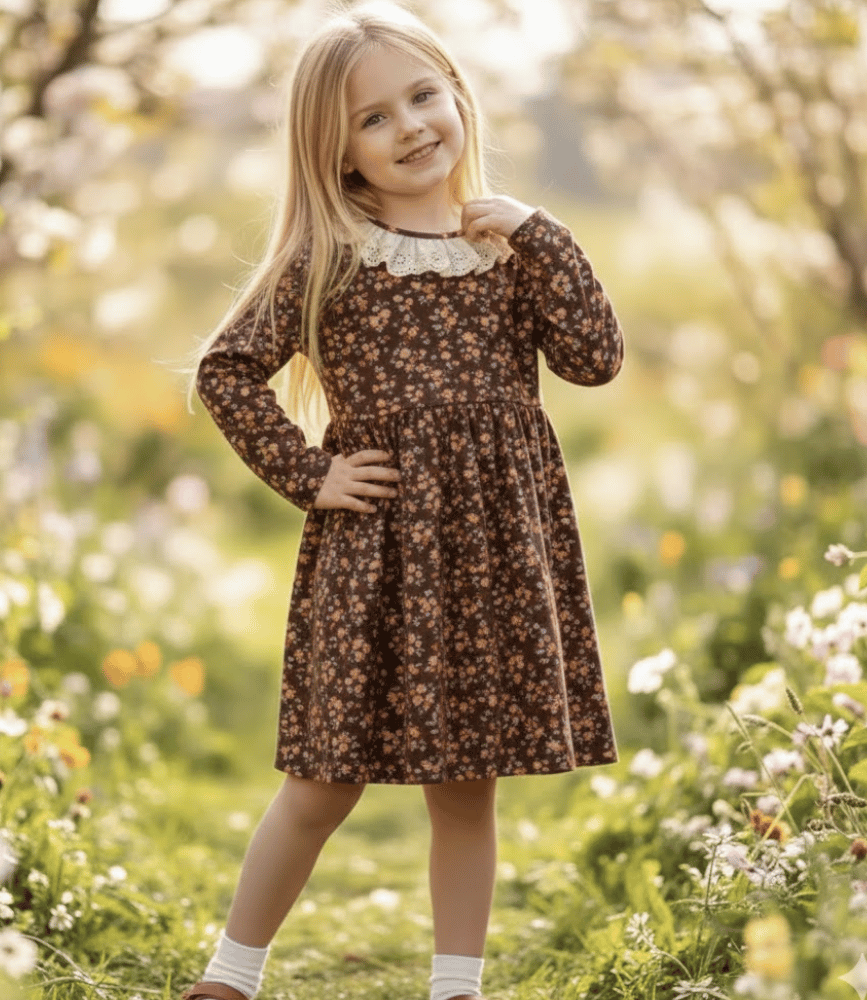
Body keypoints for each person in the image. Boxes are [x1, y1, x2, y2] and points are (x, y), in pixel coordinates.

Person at [181, 3, 624, 999]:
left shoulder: (511, 246)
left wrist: (544, 237)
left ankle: (455, 987)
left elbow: (594, 360)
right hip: (377, 551)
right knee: (322, 779)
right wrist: (309, 474)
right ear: (338, 153)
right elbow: (225, 371)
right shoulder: (331, 254)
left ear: (458, 96)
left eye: (423, 95)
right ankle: (230, 976)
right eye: (373, 118)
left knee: (466, 786)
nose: (410, 126)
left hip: (491, 552)